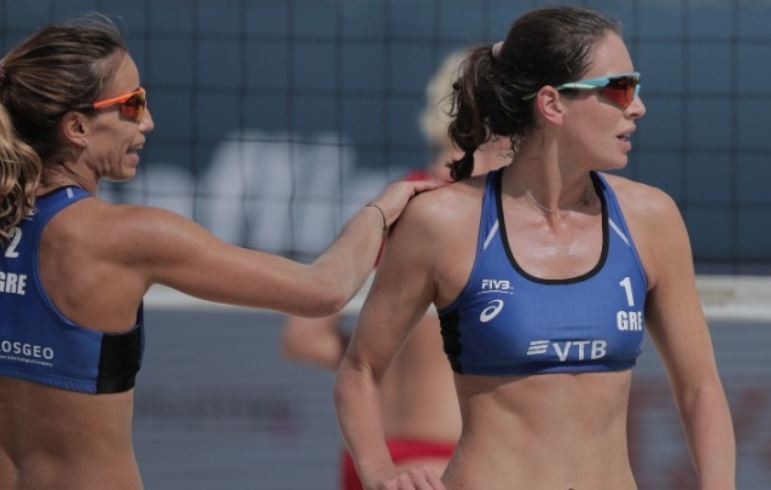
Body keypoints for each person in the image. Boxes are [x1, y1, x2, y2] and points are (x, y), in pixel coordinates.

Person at [0, 15, 440, 489]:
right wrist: (382, 208)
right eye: (132, 104)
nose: (148, 120)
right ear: (78, 127)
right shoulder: (126, 236)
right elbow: (325, 290)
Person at [334, 6, 736, 490]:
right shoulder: (443, 221)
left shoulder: (652, 219)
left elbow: (700, 390)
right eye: (620, 87)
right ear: (552, 104)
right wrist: (378, 472)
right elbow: (359, 368)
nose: (638, 106)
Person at [282, 50, 508, 490]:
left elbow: (302, 338)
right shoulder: (487, 208)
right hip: (446, 465)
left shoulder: (393, 201)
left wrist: (379, 359)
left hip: (373, 458)